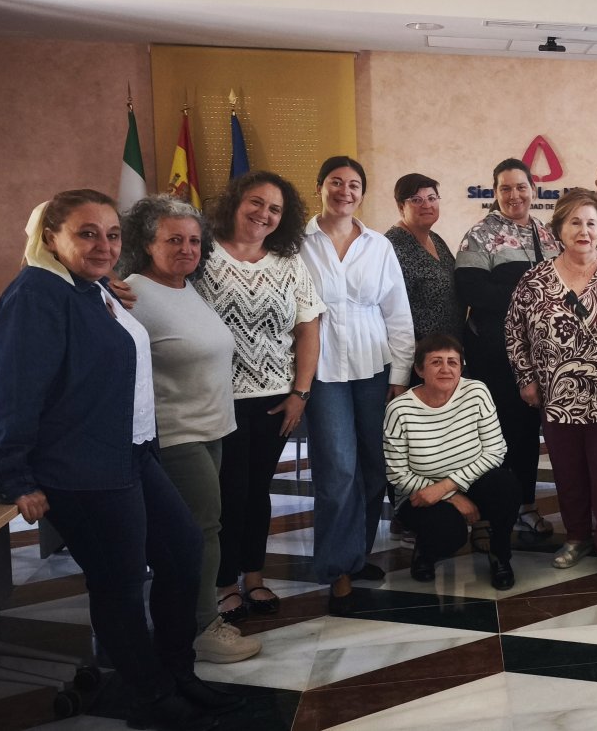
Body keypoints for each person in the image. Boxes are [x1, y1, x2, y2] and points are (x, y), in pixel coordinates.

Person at [0, 190, 235, 730]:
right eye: (87, 233)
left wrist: (102, 288)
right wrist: (14, 475)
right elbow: (13, 391)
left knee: (183, 554)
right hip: (82, 468)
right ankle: (148, 695)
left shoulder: (92, 289)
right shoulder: (36, 295)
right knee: (119, 584)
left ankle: (177, 671)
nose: (104, 245)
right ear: (51, 237)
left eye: (112, 234)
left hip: (133, 454)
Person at [121, 196, 260, 665]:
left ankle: (191, 621)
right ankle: (202, 628)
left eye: (194, 240)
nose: (187, 248)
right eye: (174, 240)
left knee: (202, 529)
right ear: (147, 243)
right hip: (174, 432)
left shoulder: (187, 287)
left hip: (212, 427)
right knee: (201, 531)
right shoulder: (131, 293)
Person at [505, 188, 597, 583]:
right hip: (556, 395)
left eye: (591, 223)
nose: (584, 231)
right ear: (559, 230)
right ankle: (576, 538)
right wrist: (526, 378)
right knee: (567, 472)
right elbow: (514, 332)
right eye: (575, 222)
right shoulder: (534, 280)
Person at [194, 171, 321, 626]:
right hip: (213, 399)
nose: (263, 214)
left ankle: (253, 574)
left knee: (256, 490)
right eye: (256, 202)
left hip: (273, 399)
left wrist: (300, 393)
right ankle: (223, 582)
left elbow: (308, 328)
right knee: (225, 492)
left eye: (274, 209)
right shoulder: (201, 255)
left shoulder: (289, 262)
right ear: (234, 202)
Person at [299, 156, 414, 613]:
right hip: (322, 368)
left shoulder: (378, 246)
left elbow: (397, 312)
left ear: (363, 193)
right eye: (335, 182)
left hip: (374, 366)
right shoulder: (297, 242)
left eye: (354, 185)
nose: (345, 191)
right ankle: (336, 569)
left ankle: (357, 554)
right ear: (320, 187)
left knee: (373, 466)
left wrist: (401, 375)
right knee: (337, 469)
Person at [457, 158, 561, 543]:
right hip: (495, 353)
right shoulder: (479, 236)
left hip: (541, 353)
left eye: (521, 187)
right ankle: (492, 509)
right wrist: (526, 297)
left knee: (527, 430)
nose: (514, 195)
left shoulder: (548, 235)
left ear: (532, 189)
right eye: (505, 188)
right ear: (495, 192)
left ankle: (526, 505)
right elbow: (471, 290)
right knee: (496, 432)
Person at [384, 334, 518, 590]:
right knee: (450, 533)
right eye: (436, 362)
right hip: (420, 493)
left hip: (466, 483)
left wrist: (448, 486)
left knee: (506, 486)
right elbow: (396, 473)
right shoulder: (399, 409)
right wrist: (451, 496)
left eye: (452, 362)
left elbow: (496, 450)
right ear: (419, 370)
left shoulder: (476, 391)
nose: (446, 368)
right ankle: (426, 551)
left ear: (461, 367)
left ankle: (500, 555)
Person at [386, 173, 462, 349]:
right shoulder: (391, 246)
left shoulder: (435, 238)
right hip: (417, 354)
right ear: (400, 206)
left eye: (431, 198)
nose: (427, 205)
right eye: (416, 200)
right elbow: (389, 309)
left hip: (448, 349)